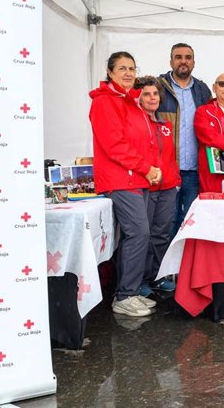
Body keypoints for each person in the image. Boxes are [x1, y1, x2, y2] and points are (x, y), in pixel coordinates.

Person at [89, 51, 158, 317]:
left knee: (137, 234)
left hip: (134, 178)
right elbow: (115, 145)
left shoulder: (129, 101)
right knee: (139, 233)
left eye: (132, 68)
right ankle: (125, 295)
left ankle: (129, 291)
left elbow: (140, 142)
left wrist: (148, 170)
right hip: (119, 180)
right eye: (122, 68)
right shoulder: (105, 102)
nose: (128, 73)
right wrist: (146, 168)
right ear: (110, 72)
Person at [158, 43, 212, 237]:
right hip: (167, 168)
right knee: (167, 221)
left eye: (188, 57)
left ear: (194, 62)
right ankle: (166, 267)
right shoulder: (158, 87)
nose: (183, 61)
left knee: (190, 219)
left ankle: (185, 265)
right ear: (171, 61)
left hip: (194, 170)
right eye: (178, 57)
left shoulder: (202, 90)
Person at [134, 76, 181, 297]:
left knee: (162, 233)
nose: (152, 98)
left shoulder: (165, 125)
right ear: (139, 98)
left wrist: (176, 179)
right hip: (145, 187)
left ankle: (158, 277)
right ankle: (141, 279)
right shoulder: (137, 123)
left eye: (155, 94)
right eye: (147, 94)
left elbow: (170, 156)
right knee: (144, 234)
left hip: (168, 187)